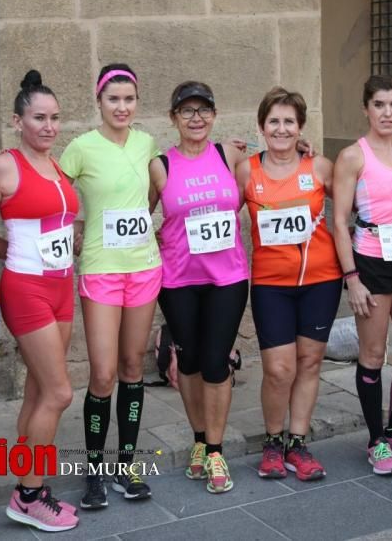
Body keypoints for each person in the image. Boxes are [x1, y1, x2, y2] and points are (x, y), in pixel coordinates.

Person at [59, 63, 162, 509]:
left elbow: (159, 188)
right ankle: (95, 470)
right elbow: (56, 192)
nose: (122, 107)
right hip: (101, 268)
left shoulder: (146, 142)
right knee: (102, 374)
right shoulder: (81, 147)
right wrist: (77, 222)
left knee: (133, 367)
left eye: (129, 99)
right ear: (99, 102)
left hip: (144, 267)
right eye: (113, 99)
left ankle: (126, 464)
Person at [0, 70, 79, 532]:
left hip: (62, 289)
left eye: (55, 118)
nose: (49, 126)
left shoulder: (55, 165)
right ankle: (27, 496)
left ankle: (30, 484)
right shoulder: (5, 165)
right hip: (28, 290)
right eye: (39, 118)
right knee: (60, 392)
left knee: (41, 391)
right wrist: (8, 254)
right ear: (17, 121)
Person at [236, 87, 342, 482]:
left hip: (321, 280)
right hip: (270, 284)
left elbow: (351, 205)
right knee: (279, 369)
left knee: (310, 362)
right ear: (262, 127)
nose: (282, 129)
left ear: (300, 128)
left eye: (289, 122)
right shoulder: (247, 170)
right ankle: (272, 441)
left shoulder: (319, 168)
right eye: (274, 121)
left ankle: (297, 443)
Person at [149, 81, 249, 494]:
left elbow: (262, 183)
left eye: (203, 110)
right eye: (187, 111)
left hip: (227, 276)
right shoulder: (160, 165)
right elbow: (139, 216)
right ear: (173, 118)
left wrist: (302, 152)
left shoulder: (231, 154)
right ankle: (197, 440)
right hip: (178, 279)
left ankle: (215, 451)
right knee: (188, 362)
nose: (196, 118)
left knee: (215, 362)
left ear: (214, 114)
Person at [332, 75, 392, 476]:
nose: (387, 112)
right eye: (379, 105)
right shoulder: (354, 156)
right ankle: (376, 440)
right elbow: (338, 221)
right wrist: (352, 278)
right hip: (371, 261)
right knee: (373, 354)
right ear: (366, 109)